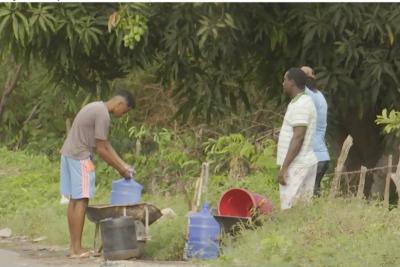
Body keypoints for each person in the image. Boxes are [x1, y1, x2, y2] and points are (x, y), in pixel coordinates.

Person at [60, 89, 135, 258]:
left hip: (68, 154)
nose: (123, 115)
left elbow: (105, 143)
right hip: (80, 158)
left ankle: (73, 248)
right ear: (120, 104)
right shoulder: (103, 115)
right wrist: (121, 170)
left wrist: (123, 164)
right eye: (125, 111)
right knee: (82, 200)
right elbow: (101, 150)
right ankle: (77, 249)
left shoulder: (95, 107)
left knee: (74, 200)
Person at [277, 68, 318, 210]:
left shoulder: (301, 104)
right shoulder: (301, 102)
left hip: (297, 164)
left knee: (289, 208)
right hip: (303, 161)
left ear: (292, 82)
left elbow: (298, 136)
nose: (283, 83)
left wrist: (285, 167)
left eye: (285, 80)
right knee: (303, 209)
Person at [301, 66, 330, 197]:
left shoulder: (309, 95)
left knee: (307, 194)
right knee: (313, 192)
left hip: (314, 157)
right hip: (322, 156)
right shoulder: (319, 95)